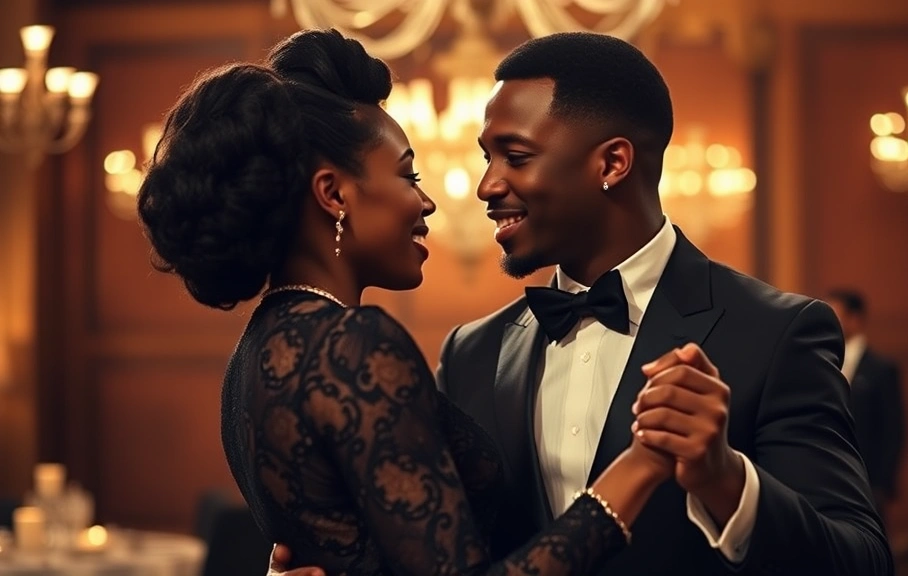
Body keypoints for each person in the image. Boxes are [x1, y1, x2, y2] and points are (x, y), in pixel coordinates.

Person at [274, 31, 894, 576]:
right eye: (486, 158)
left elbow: (861, 561)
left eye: (514, 157)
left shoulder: (779, 333)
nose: (486, 186)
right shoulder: (471, 353)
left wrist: (726, 480)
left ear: (613, 163)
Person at [138, 28, 681, 576]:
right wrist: (633, 473)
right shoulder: (351, 346)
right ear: (333, 194)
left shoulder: (257, 351)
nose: (426, 202)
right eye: (407, 175)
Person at [826, 288, 907, 525]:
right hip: (827, 478)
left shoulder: (881, 369)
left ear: (855, 319)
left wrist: (883, 483)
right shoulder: (819, 363)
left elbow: (894, 429)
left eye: (834, 315)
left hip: (866, 481)